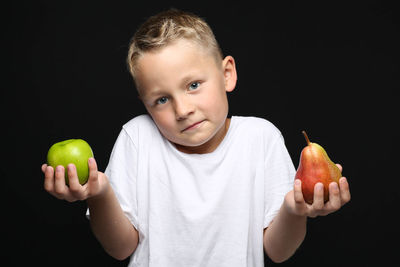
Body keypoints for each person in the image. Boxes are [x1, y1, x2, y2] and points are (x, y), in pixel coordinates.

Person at [41, 9, 351, 267]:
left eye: (193, 86)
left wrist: (294, 210)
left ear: (227, 74)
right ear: (145, 105)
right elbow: (120, 248)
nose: (183, 109)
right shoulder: (137, 137)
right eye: (161, 100)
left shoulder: (261, 138)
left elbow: (278, 251)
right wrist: (100, 193)